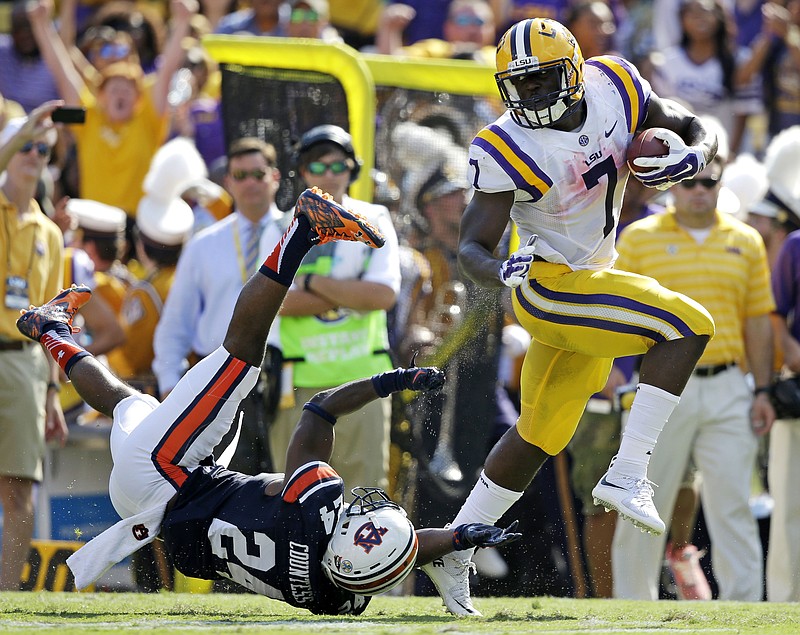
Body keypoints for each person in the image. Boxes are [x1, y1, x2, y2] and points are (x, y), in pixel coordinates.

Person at [15, 187, 520, 610]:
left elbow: (321, 408)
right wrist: (453, 539)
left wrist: (392, 381)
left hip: (168, 474)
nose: (361, 513)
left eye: (361, 523)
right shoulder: (336, 598)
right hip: (152, 506)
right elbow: (390, 556)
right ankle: (51, 330)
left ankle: (305, 229)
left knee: (240, 358)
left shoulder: (316, 510)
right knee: (132, 405)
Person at [420, 18, 719, 616]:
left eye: (541, 81)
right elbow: (473, 245)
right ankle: (628, 470)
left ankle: (452, 546)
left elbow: (693, 125)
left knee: (540, 431)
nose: (530, 97)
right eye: (518, 85)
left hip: (591, 274)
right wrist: (500, 271)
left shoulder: (615, 82)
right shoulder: (505, 144)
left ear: (577, 69)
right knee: (688, 323)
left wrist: (692, 156)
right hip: (548, 285)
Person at [611, 151, 775, 601]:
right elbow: (619, 316)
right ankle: (632, 608)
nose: (700, 191)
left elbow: (758, 321)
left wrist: (761, 390)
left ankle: (743, 613)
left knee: (734, 505)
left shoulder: (746, 240)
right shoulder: (638, 239)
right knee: (639, 502)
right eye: (690, 183)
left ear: (720, 185)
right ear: (672, 186)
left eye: (709, 182)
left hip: (727, 385)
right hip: (659, 387)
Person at [268, 125, 400, 492]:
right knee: (295, 501)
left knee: (365, 503)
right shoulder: (280, 224)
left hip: (364, 382)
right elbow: (277, 302)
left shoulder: (376, 218)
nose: (329, 175)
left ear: (352, 170)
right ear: (304, 171)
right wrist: (348, 292)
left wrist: (309, 283)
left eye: (338, 166)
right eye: (318, 166)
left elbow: (382, 296)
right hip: (298, 387)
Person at [153, 137, 285, 476]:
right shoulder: (204, 244)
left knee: (290, 490)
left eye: (258, 174)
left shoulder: (298, 232)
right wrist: (170, 382)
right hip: (219, 377)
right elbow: (175, 323)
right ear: (227, 182)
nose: (250, 183)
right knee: (230, 493)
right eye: (240, 176)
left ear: (276, 177)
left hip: (285, 379)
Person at [0, 101, 66, 590]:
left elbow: (52, 318)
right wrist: (22, 128)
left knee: (19, 488)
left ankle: (3, 599)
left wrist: (51, 394)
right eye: (26, 144)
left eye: (42, 148)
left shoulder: (52, 233)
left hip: (23, 364)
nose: (33, 153)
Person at [767, 228, 800, 602]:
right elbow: (773, 310)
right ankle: (785, 600)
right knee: (790, 501)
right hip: (796, 389)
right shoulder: (795, 244)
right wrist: (788, 344)